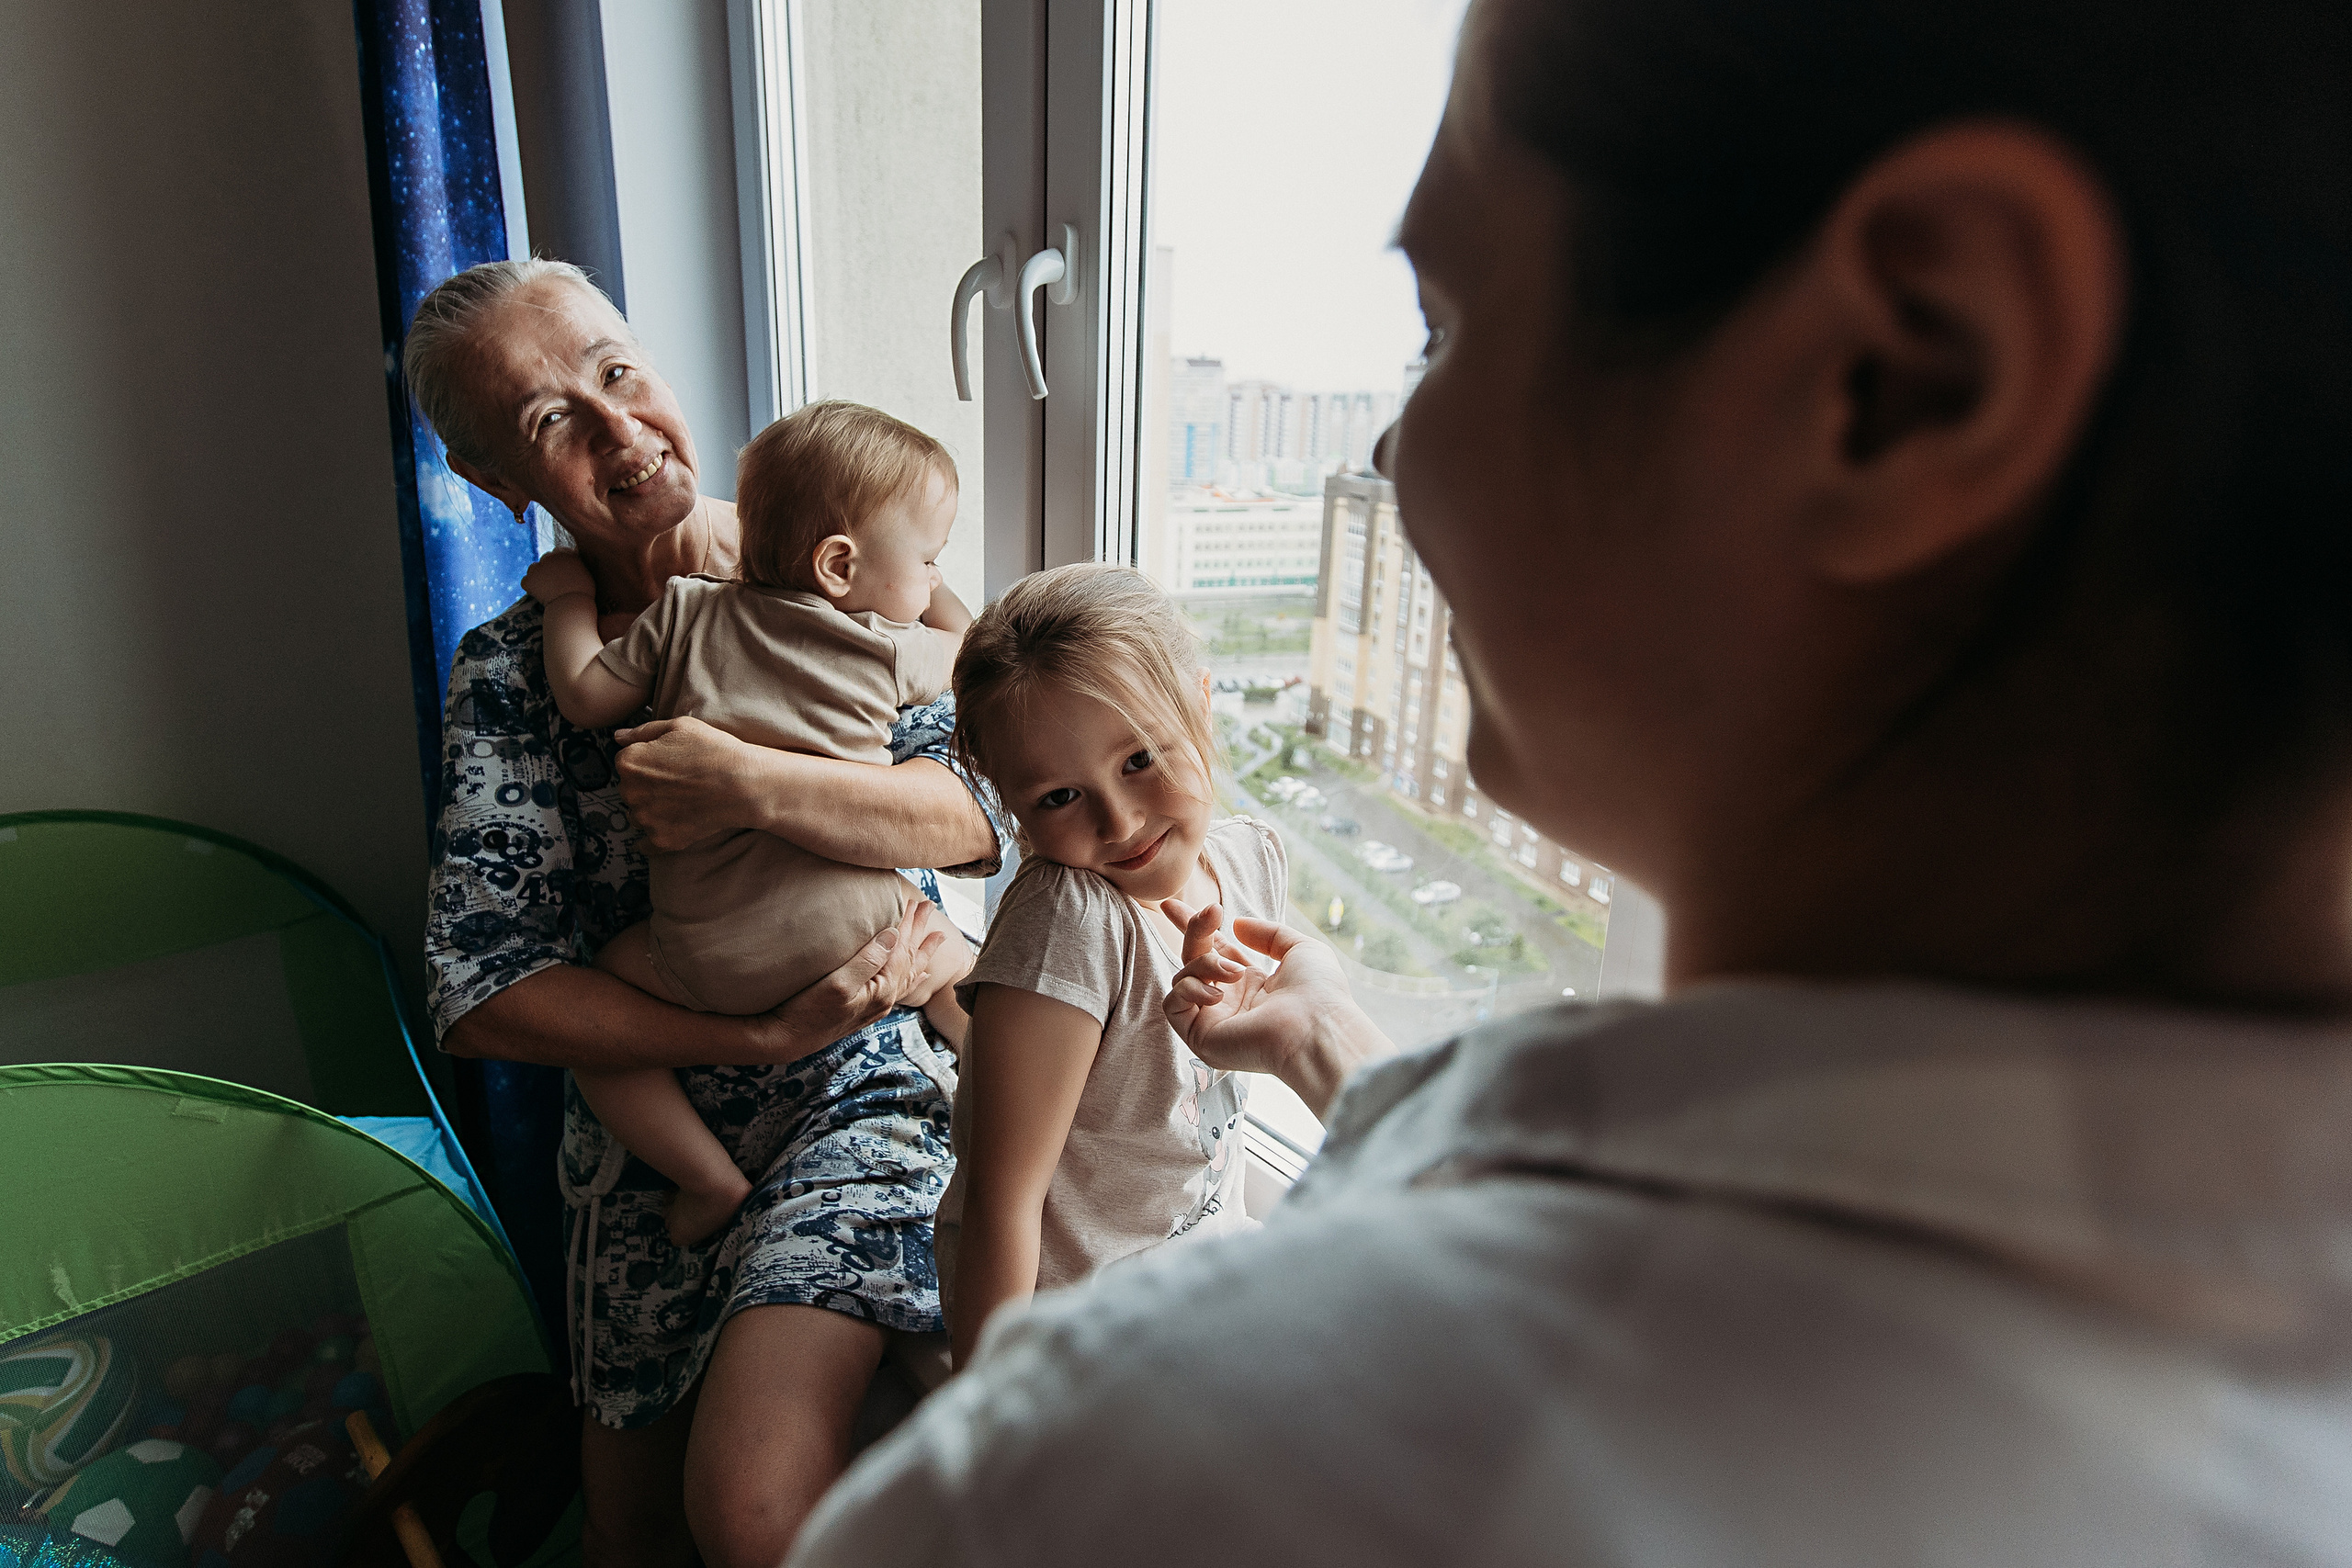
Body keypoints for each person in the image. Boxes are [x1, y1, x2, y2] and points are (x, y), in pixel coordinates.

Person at [791, 0, 2352, 1561]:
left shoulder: (1116, 1485)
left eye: (1445, 323)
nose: (1396, 455)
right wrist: (1342, 1046)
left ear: (1910, 371)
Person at [404, 258, 1007, 1568]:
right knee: (625, 1524)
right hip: (653, 1135)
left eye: (616, 371)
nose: (618, 428)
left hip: (861, 1080)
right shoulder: (515, 672)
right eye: (551, 420)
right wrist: (756, 1035)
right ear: (498, 486)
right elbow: (483, 985)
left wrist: (751, 782)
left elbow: (987, 804)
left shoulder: (845, 555)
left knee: (747, 1511)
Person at [522, 400, 971, 1248]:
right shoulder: (882, 646)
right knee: (950, 960)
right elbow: (974, 647)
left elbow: (581, 691)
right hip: (863, 940)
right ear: (839, 565)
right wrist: (927, 586)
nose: (931, 577)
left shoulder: (686, 613)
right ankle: (997, 1095)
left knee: (598, 1015)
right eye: (929, 558)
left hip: (708, 958)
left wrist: (567, 596)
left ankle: (706, 1179)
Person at [931, 565, 1279, 1368]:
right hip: (1076, 1331)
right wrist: (988, 1417)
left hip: (1197, 1275)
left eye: (1139, 758)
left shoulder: (1254, 861)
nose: (1120, 822)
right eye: (1058, 797)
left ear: (1200, 702)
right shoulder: (1071, 918)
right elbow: (1001, 1202)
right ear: (1011, 806)